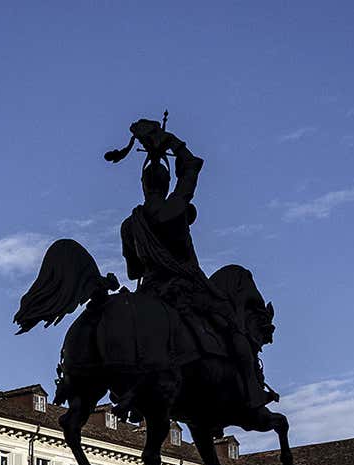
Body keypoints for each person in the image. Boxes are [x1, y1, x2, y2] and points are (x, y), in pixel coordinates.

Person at [117, 118, 278, 409]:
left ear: (143, 185)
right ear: (166, 184)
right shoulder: (174, 208)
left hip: (150, 292)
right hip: (184, 289)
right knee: (232, 328)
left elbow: (133, 271)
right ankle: (252, 393)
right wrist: (172, 142)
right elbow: (192, 166)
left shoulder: (130, 225)